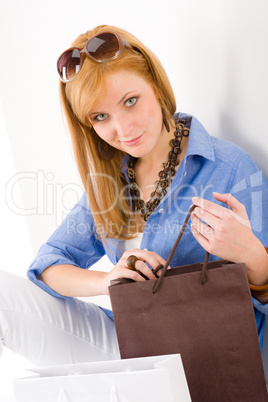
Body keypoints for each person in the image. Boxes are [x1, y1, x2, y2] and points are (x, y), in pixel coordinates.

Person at [0, 25, 268, 367]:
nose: (123, 130)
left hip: (207, 360)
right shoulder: (110, 181)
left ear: (155, 85)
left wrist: (254, 258)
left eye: (130, 101)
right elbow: (48, 266)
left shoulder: (228, 168)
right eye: (101, 116)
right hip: (134, 344)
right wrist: (108, 280)